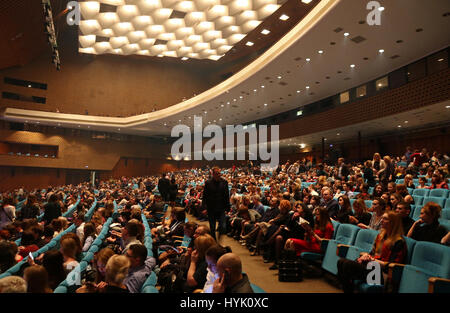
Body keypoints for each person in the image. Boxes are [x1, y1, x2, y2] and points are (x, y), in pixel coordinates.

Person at [337, 211, 407, 293]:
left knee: (347, 265)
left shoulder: (399, 242)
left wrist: (372, 260)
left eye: (385, 219)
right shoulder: (380, 236)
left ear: (393, 223)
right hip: (371, 266)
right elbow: (372, 253)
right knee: (341, 262)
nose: (381, 220)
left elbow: (392, 266)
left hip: (381, 273)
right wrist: (366, 255)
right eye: (382, 218)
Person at [202, 167, 230, 241]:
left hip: (221, 207)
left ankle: (220, 238)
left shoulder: (224, 182)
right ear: (213, 174)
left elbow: (227, 195)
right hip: (211, 207)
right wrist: (204, 208)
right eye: (217, 173)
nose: (219, 175)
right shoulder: (208, 183)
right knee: (212, 226)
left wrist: (228, 208)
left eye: (219, 173)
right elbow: (205, 196)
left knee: (223, 226)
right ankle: (213, 241)